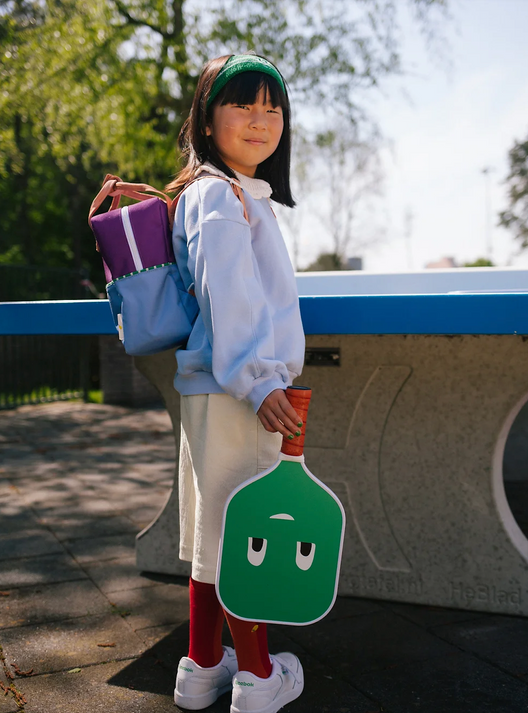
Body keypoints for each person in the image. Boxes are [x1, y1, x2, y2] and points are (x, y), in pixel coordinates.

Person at [166, 53, 306, 713]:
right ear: (207, 116)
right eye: (242, 105)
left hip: (209, 388)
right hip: (239, 393)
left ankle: (200, 665)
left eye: (271, 108)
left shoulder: (221, 192)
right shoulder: (222, 197)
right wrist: (259, 382)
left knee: (212, 532)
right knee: (250, 532)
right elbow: (232, 298)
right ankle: (256, 677)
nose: (260, 120)